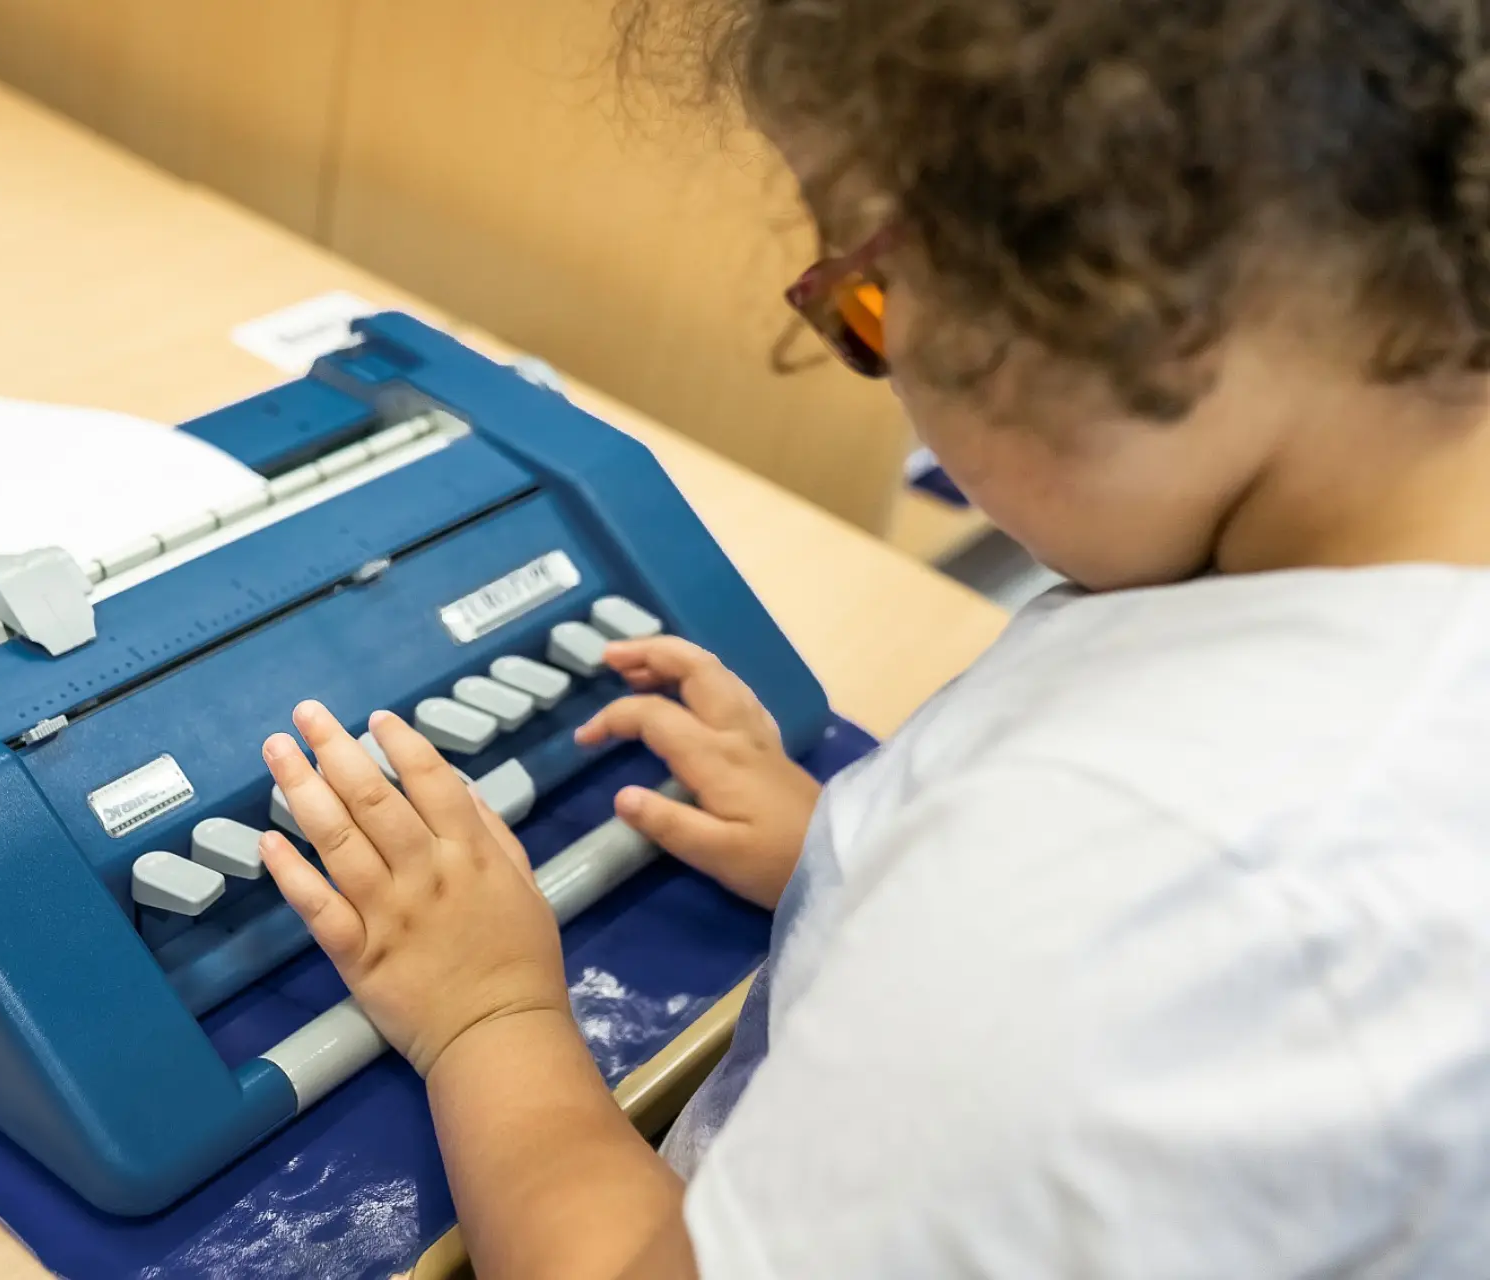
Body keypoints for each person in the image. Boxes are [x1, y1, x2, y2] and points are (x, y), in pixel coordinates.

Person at [259, 0, 1490, 1273]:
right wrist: (844, 855)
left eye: (867, 296)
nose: (873, 356)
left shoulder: (1113, 887)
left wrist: (490, 1012)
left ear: (1125, 298)